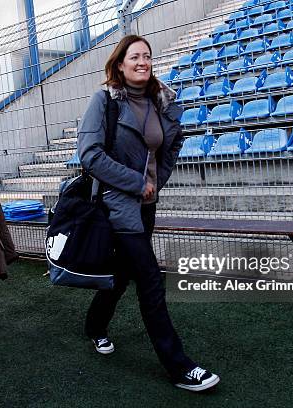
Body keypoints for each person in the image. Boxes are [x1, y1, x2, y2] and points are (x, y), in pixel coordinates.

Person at [77, 35, 220, 392]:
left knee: (123, 274)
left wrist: (157, 182)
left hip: (146, 207)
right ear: (120, 64)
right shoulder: (104, 101)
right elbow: (90, 155)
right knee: (151, 280)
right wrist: (135, 183)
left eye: (147, 56)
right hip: (116, 207)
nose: (142, 62)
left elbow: (170, 147)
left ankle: (94, 326)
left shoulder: (162, 102)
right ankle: (179, 366)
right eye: (134, 56)